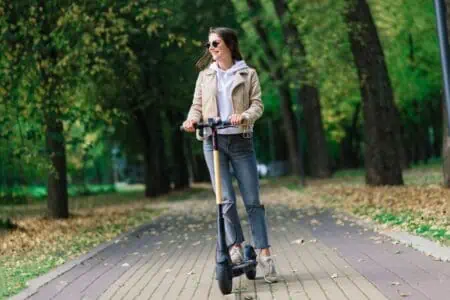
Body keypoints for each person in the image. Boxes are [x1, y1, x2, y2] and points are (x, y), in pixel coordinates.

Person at [182, 27, 277, 283]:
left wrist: (244, 115)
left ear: (229, 45)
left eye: (215, 43)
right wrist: (191, 120)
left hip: (241, 141)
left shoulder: (248, 74)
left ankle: (264, 254)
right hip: (213, 142)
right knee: (224, 200)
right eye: (208, 44)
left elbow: (257, 104)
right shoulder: (205, 76)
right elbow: (197, 105)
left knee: (253, 201)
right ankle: (234, 247)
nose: (210, 48)